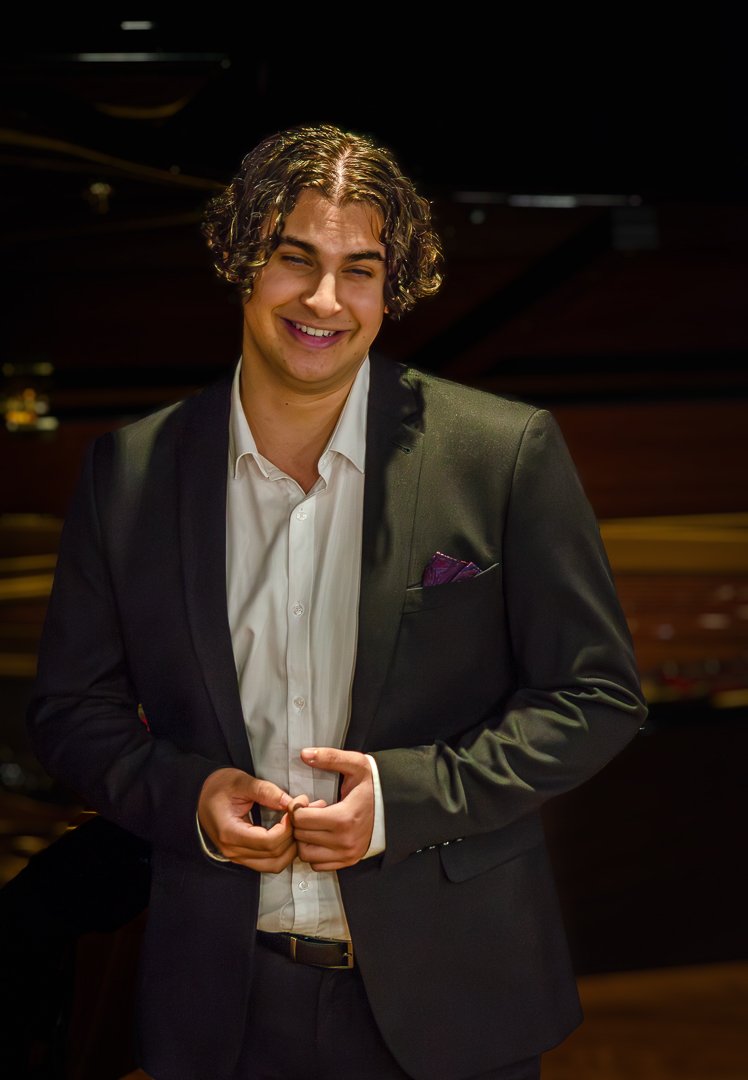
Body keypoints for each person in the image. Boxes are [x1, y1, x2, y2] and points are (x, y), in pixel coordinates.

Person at [28, 123, 647, 1080]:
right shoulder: (131, 471)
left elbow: (598, 695)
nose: (325, 299)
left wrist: (400, 805)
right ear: (242, 259)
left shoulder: (503, 452)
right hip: (220, 1011)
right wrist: (190, 797)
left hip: (458, 1001)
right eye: (294, 259)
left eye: (360, 269)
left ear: (390, 289)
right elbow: (71, 712)